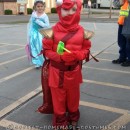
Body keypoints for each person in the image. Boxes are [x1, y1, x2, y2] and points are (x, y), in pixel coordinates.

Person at [40, 0, 94, 129]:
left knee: (73, 97)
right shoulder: (51, 32)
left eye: (73, 10)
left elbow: (86, 50)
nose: (69, 13)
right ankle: (59, 121)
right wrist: (59, 56)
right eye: (65, 9)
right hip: (56, 72)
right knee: (58, 98)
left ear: (79, 10)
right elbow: (46, 51)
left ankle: (73, 116)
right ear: (59, 10)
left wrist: (78, 55)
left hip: (74, 71)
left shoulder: (83, 32)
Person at [27, 0, 50, 69]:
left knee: (40, 47)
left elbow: (47, 26)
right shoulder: (33, 14)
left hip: (40, 33)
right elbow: (30, 24)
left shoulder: (45, 16)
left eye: (41, 6)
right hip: (33, 33)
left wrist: (39, 22)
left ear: (43, 7)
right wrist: (30, 33)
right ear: (35, 7)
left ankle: (42, 61)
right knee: (33, 47)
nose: (40, 8)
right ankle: (37, 62)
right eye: (38, 6)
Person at [112, 0, 130, 67]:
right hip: (122, 21)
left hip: (128, 23)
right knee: (121, 41)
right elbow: (115, 4)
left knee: (129, 42)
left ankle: (129, 59)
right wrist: (120, 2)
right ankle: (122, 58)